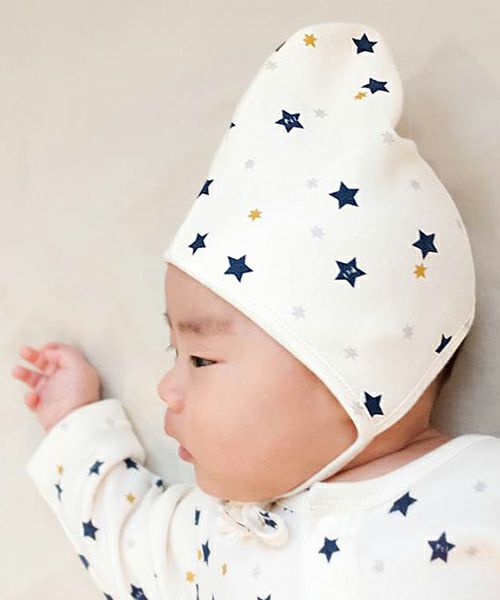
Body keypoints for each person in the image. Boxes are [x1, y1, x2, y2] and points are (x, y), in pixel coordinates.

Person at [13, 22, 500, 600]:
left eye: (201, 358)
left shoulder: (478, 495)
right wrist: (73, 423)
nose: (167, 388)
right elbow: (125, 537)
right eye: (176, 353)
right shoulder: (217, 536)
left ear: (352, 370)